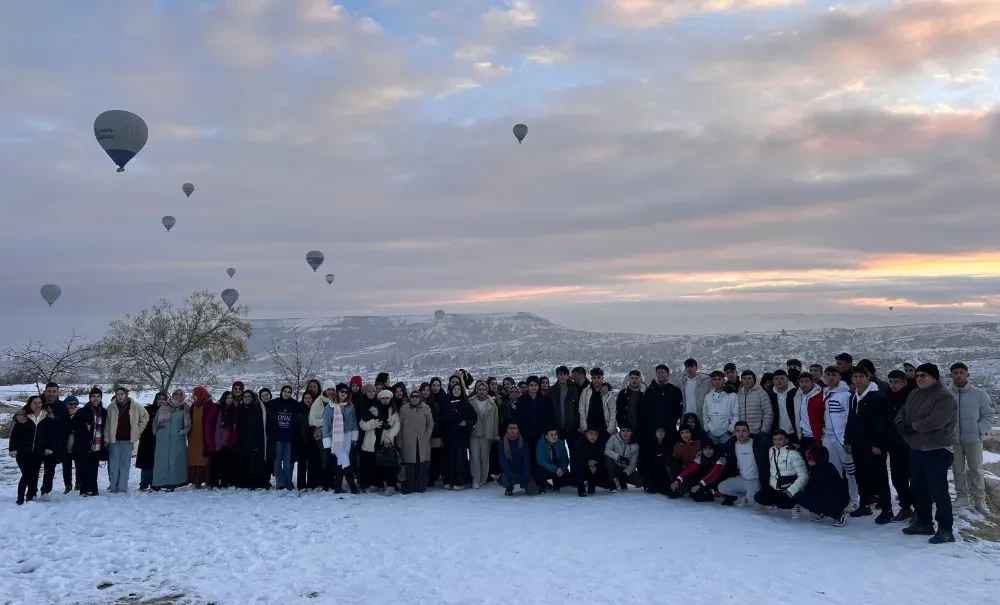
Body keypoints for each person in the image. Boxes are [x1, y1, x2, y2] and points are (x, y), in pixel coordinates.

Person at [896, 363, 958, 544]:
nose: (920, 378)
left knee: (938, 491)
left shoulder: (945, 397)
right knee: (918, 489)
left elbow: (935, 422)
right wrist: (900, 423)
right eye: (918, 375)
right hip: (916, 448)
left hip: (936, 449)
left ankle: (946, 529)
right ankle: (924, 523)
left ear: (934, 377)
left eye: (924, 375)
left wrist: (911, 427)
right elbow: (903, 411)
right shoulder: (915, 393)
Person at [846, 366, 895, 523]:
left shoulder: (877, 397)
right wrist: (848, 440)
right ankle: (864, 504)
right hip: (857, 443)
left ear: (868, 378)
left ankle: (887, 509)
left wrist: (878, 443)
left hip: (874, 445)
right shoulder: (853, 397)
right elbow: (851, 420)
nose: (858, 379)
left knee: (879, 476)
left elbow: (882, 423)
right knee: (861, 475)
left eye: (862, 376)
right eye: (855, 377)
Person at [949, 362, 993, 515]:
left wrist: (978, 430)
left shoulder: (979, 394)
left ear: (968, 374)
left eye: (961, 372)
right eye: (955, 372)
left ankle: (979, 500)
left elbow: (988, 415)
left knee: (976, 470)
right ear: (951, 375)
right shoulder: (947, 394)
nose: (958, 375)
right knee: (957, 469)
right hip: (953, 440)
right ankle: (961, 497)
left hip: (973, 439)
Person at [822, 366, 859, 512]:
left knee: (850, 471)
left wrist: (848, 439)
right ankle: (839, 498)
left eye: (834, 375)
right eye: (828, 375)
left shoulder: (845, 395)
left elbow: (851, 418)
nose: (831, 378)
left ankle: (855, 500)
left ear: (839, 377)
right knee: (834, 471)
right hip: (828, 437)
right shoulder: (826, 392)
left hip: (842, 438)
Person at [104, 386, 149, 494]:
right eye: (118, 394)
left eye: (122, 394)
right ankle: (114, 486)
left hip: (127, 440)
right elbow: (107, 424)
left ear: (126, 394)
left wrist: (137, 431)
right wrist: (106, 438)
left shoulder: (135, 406)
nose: (120, 396)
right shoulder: (111, 407)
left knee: (125, 464)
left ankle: (123, 487)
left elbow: (145, 417)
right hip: (114, 440)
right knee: (114, 464)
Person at [9, 396, 53, 504]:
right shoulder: (23, 418)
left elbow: (51, 435)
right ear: (29, 404)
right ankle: (20, 496)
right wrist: (13, 449)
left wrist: (49, 448)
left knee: (35, 474)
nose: (37, 405)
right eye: (35, 403)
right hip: (23, 451)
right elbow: (15, 434)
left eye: (39, 403)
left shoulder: (46, 419)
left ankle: (31, 495)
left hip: (38, 451)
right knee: (27, 473)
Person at [754, 429, 807, 517]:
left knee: (784, 504)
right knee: (758, 498)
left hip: (788, 487)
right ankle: (774, 501)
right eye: (775, 439)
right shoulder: (771, 450)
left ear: (786, 440)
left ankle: (794, 505)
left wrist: (791, 490)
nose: (777, 442)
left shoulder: (793, 454)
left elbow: (804, 476)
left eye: (780, 439)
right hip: (774, 485)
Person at [794, 445, 849, 527]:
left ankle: (839, 515)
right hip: (825, 497)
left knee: (813, 498)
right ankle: (824, 512)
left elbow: (832, 491)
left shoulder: (827, 469)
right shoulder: (814, 469)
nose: (809, 461)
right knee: (800, 495)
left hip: (836, 499)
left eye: (811, 458)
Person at [886, 370, 915, 521]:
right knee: (898, 477)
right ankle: (905, 507)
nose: (893, 385)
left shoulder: (912, 396)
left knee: (915, 477)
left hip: (911, 443)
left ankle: (919, 508)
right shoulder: (887, 396)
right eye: (891, 381)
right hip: (894, 443)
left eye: (896, 381)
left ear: (904, 382)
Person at [359, 390, 400, 495]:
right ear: (380, 399)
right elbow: (362, 424)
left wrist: (389, 437)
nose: (385, 400)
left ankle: (390, 485)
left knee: (388, 463)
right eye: (383, 398)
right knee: (374, 464)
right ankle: (375, 484)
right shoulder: (373, 410)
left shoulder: (394, 411)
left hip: (386, 441)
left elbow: (397, 425)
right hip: (373, 440)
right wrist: (373, 424)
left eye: (387, 398)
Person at [71, 387, 107, 497]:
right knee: (84, 467)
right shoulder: (83, 411)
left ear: (101, 398)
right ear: (90, 398)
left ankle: (94, 489)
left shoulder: (104, 412)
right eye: (93, 396)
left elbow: (106, 427)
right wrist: (84, 426)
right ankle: (84, 489)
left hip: (97, 443)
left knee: (94, 467)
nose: (96, 399)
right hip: (85, 443)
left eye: (98, 396)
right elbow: (73, 425)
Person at [440, 382, 477, 490]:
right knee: (449, 459)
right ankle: (449, 481)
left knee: (460, 459)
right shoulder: (446, 403)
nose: (456, 391)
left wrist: (466, 422)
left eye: (458, 389)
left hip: (461, 436)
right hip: (448, 436)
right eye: (454, 389)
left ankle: (460, 482)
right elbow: (441, 418)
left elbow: (473, 417)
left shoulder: (465, 403)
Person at [152, 389, 191, 492]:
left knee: (175, 461)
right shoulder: (164, 406)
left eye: (180, 394)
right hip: (162, 439)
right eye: (176, 394)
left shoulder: (185, 408)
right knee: (161, 461)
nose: (177, 396)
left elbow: (189, 424)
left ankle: (174, 483)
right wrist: (156, 432)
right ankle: (159, 482)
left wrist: (182, 432)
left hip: (177, 438)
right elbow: (155, 420)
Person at [399, 389, 434, 494]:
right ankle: (408, 487)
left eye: (417, 396)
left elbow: (430, 424)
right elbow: (399, 426)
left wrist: (426, 436)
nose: (414, 398)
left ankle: (420, 486)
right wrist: (399, 440)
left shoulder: (426, 408)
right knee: (409, 465)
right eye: (412, 396)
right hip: (408, 440)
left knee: (421, 464)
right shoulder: (404, 408)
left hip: (422, 441)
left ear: (420, 398)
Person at [640, 364, 684, 446]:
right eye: (658, 373)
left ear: (668, 374)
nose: (660, 375)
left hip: (669, 428)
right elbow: (645, 409)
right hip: (652, 428)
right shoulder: (650, 391)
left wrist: (671, 422)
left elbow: (678, 410)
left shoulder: (674, 391)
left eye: (663, 372)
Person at [39, 382, 70, 500]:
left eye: (54, 391)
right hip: (36, 442)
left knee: (49, 468)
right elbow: (22, 413)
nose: (51, 394)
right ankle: (30, 491)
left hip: (53, 443)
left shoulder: (62, 406)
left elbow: (67, 425)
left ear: (58, 392)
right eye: (49, 391)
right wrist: (17, 417)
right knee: (32, 468)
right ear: (45, 391)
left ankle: (45, 491)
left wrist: (55, 419)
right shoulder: (38, 402)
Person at [515, 376, 554, 466]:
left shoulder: (545, 400)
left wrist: (547, 431)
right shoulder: (521, 400)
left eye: (536, 385)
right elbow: (519, 418)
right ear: (528, 386)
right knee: (528, 456)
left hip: (541, 434)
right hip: (526, 434)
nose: (533, 387)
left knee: (541, 456)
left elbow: (549, 417)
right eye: (531, 385)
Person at [718, 422, 760, 506]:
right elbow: (716, 449)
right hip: (742, 478)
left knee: (752, 502)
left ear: (748, 432)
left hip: (755, 480)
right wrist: (701, 450)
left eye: (744, 431)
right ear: (734, 432)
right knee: (721, 487)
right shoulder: (731, 445)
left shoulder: (758, 443)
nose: (741, 433)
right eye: (738, 431)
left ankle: (751, 494)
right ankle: (742, 496)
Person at [269, 385, 300, 491]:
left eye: (289, 392)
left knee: (287, 463)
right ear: (281, 392)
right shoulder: (274, 403)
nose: (287, 393)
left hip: (289, 438)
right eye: (285, 391)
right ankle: (280, 483)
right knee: (277, 462)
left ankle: (288, 483)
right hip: (277, 437)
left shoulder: (295, 405)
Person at [469, 381, 499, 488]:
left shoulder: (492, 403)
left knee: (484, 457)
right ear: (476, 390)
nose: (481, 392)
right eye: (479, 389)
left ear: (487, 390)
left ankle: (483, 478)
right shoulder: (470, 402)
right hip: (474, 433)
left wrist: (495, 434)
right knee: (474, 456)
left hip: (487, 433)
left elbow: (496, 420)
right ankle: (475, 479)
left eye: (484, 389)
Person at [236, 389, 268, 489]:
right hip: (242, 440)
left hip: (255, 439)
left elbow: (260, 426)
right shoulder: (240, 408)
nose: (247, 398)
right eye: (245, 396)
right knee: (244, 461)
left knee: (255, 462)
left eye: (249, 396)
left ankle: (256, 482)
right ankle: (244, 482)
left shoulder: (257, 408)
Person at [187, 386, 216, 489]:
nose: (193, 397)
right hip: (194, 436)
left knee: (205, 458)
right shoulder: (194, 406)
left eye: (194, 394)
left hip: (205, 436)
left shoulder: (210, 406)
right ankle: (196, 480)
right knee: (194, 456)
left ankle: (207, 479)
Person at [578, 367, 617, 444]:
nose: (596, 380)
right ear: (591, 378)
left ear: (602, 378)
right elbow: (581, 409)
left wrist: (609, 430)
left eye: (598, 377)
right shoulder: (586, 392)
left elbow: (613, 411)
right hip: (589, 429)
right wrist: (584, 428)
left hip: (604, 428)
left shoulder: (608, 394)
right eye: (594, 378)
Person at [498, 420, 537, 495]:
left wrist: (525, 476)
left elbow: (527, 461)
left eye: (515, 428)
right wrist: (511, 475)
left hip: (522, 472)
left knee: (532, 491)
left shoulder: (524, 442)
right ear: (507, 429)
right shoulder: (502, 443)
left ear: (518, 430)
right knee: (504, 479)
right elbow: (503, 462)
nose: (512, 430)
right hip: (510, 473)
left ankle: (526, 484)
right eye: (510, 428)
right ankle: (509, 487)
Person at [211, 390, 239, 489]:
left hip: (228, 440)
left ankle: (224, 482)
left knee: (226, 463)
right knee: (215, 463)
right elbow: (211, 423)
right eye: (227, 398)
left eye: (231, 398)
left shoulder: (234, 410)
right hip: (216, 439)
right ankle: (214, 483)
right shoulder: (217, 408)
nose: (229, 400)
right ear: (224, 398)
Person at [702, 371, 739, 445]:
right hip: (711, 433)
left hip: (726, 433)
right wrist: (707, 429)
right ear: (712, 381)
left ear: (724, 380)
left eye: (719, 379)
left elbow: (736, 414)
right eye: (714, 379)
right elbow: (705, 414)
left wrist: (730, 430)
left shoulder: (732, 395)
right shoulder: (708, 396)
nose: (717, 382)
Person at [572, 425, 609, 496]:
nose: (593, 436)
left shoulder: (600, 445)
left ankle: (592, 485)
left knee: (604, 479)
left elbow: (602, 460)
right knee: (580, 466)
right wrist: (587, 463)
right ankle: (581, 487)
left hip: (593, 469)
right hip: (581, 469)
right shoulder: (578, 444)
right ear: (586, 434)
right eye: (591, 433)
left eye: (595, 434)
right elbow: (575, 461)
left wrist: (596, 467)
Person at [604, 424, 641, 492]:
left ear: (631, 432)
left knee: (640, 481)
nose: (625, 433)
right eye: (623, 431)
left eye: (628, 431)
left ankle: (622, 481)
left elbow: (633, 463)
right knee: (607, 459)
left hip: (625, 469)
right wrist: (619, 457)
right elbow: (606, 451)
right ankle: (612, 483)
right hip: (614, 467)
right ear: (620, 431)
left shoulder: (635, 445)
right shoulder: (613, 438)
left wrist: (625, 473)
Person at [296, 389, 321, 490]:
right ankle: (301, 485)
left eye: (309, 398)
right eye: (305, 398)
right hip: (302, 439)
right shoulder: (300, 409)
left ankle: (312, 484)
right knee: (301, 464)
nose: (308, 400)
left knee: (312, 463)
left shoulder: (316, 409)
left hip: (313, 440)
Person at [794, 373, 824, 451]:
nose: (804, 384)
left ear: (812, 382)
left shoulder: (821, 394)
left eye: (807, 381)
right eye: (801, 381)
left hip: (818, 436)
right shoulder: (797, 396)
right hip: (804, 436)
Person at [641, 426, 674, 495]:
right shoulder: (649, 443)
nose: (660, 433)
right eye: (658, 431)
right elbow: (645, 458)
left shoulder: (668, 443)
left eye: (662, 431)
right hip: (652, 469)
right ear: (655, 432)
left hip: (664, 469)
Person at [535, 428, 569, 493]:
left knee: (565, 474)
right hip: (546, 468)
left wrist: (562, 469)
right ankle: (542, 487)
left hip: (557, 469)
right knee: (539, 468)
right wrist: (555, 469)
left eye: (555, 434)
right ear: (546, 437)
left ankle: (557, 486)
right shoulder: (541, 444)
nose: (554, 437)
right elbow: (540, 460)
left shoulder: (561, 444)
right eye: (551, 435)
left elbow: (565, 459)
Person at [427, 377, 447, 487]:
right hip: (431, 430)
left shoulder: (445, 397)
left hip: (441, 430)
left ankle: (440, 474)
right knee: (432, 455)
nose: (435, 388)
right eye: (433, 385)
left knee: (440, 454)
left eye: (437, 385)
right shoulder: (428, 398)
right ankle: (432, 476)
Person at [769, 370, 798, 441]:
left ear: (787, 379)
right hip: (778, 433)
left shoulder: (796, 393)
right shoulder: (770, 395)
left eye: (782, 378)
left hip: (795, 431)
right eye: (776, 379)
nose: (779, 381)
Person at [616, 370, 645, 438]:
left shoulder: (646, 393)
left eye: (636, 378)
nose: (634, 380)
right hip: (626, 432)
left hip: (643, 431)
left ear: (640, 379)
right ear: (629, 379)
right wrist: (622, 426)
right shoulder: (623, 393)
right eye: (632, 378)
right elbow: (618, 411)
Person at [64, 396, 79, 492]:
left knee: (79, 465)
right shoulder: (63, 415)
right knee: (66, 466)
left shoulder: (80, 414)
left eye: (75, 404)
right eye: (70, 404)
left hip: (77, 443)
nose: (73, 406)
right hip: (66, 443)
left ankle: (79, 483)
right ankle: (68, 484)